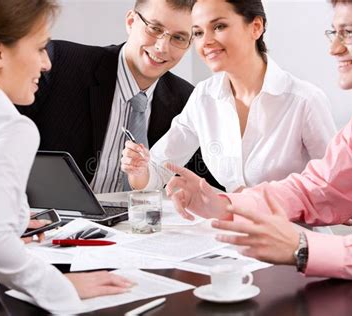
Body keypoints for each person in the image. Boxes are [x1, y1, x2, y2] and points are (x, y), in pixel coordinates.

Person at [164, 0, 352, 281]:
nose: (334, 49)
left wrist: (304, 248)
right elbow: (317, 188)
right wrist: (226, 205)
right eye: (334, 34)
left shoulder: (307, 99)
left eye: (350, 33)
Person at [0, 1, 133, 314]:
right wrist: (60, 287)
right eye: (40, 48)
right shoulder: (9, 126)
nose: (47, 64)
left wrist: (11, 220)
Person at [121, 0, 337, 193]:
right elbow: (158, 169)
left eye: (219, 26)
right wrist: (138, 168)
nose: (206, 41)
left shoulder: (303, 100)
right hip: (233, 230)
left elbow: (335, 188)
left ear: (256, 27)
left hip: (293, 233)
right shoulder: (205, 97)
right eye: (198, 33)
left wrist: (250, 201)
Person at [18, 0, 221, 193]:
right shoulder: (60, 63)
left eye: (178, 38)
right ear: (131, 22)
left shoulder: (187, 100)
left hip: (142, 226)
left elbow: (211, 185)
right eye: (155, 28)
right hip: (53, 221)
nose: (162, 47)